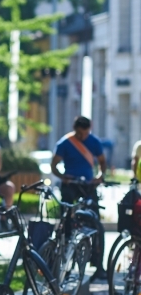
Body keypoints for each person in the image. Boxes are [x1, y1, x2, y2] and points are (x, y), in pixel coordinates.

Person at [51, 116, 108, 279]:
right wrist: (63, 177)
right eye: (79, 133)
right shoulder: (65, 143)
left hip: (88, 185)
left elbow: (102, 162)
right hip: (70, 184)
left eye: (85, 133)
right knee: (66, 219)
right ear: (74, 129)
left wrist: (100, 177)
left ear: (90, 129)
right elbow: (54, 165)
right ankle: (63, 255)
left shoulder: (94, 142)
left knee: (96, 222)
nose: (82, 136)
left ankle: (98, 265)